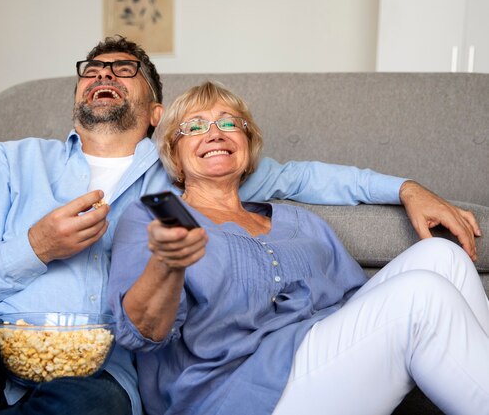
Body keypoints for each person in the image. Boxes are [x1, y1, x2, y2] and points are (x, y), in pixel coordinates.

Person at [0, 36, 480, 415]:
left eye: (123, 69)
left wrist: (404, 187)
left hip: (104, 371)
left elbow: (305, 179)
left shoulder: (180, 175)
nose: (104, 73)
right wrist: (33, 247)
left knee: (92, 407)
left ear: (157, 113)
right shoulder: (14, 161)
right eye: (93, 67)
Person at [107, 81, 489, 415]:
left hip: (319, 360)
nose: (215, 133)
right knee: (421, 295)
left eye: (228, 123)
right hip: (235, 392)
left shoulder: (299, 221)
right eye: (194, 126)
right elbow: (140, 333)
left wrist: (407, 188)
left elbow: (357, 306)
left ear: (248, 144)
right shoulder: (157, 217)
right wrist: (167, 266)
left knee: (444, 257)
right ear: (173, 152)